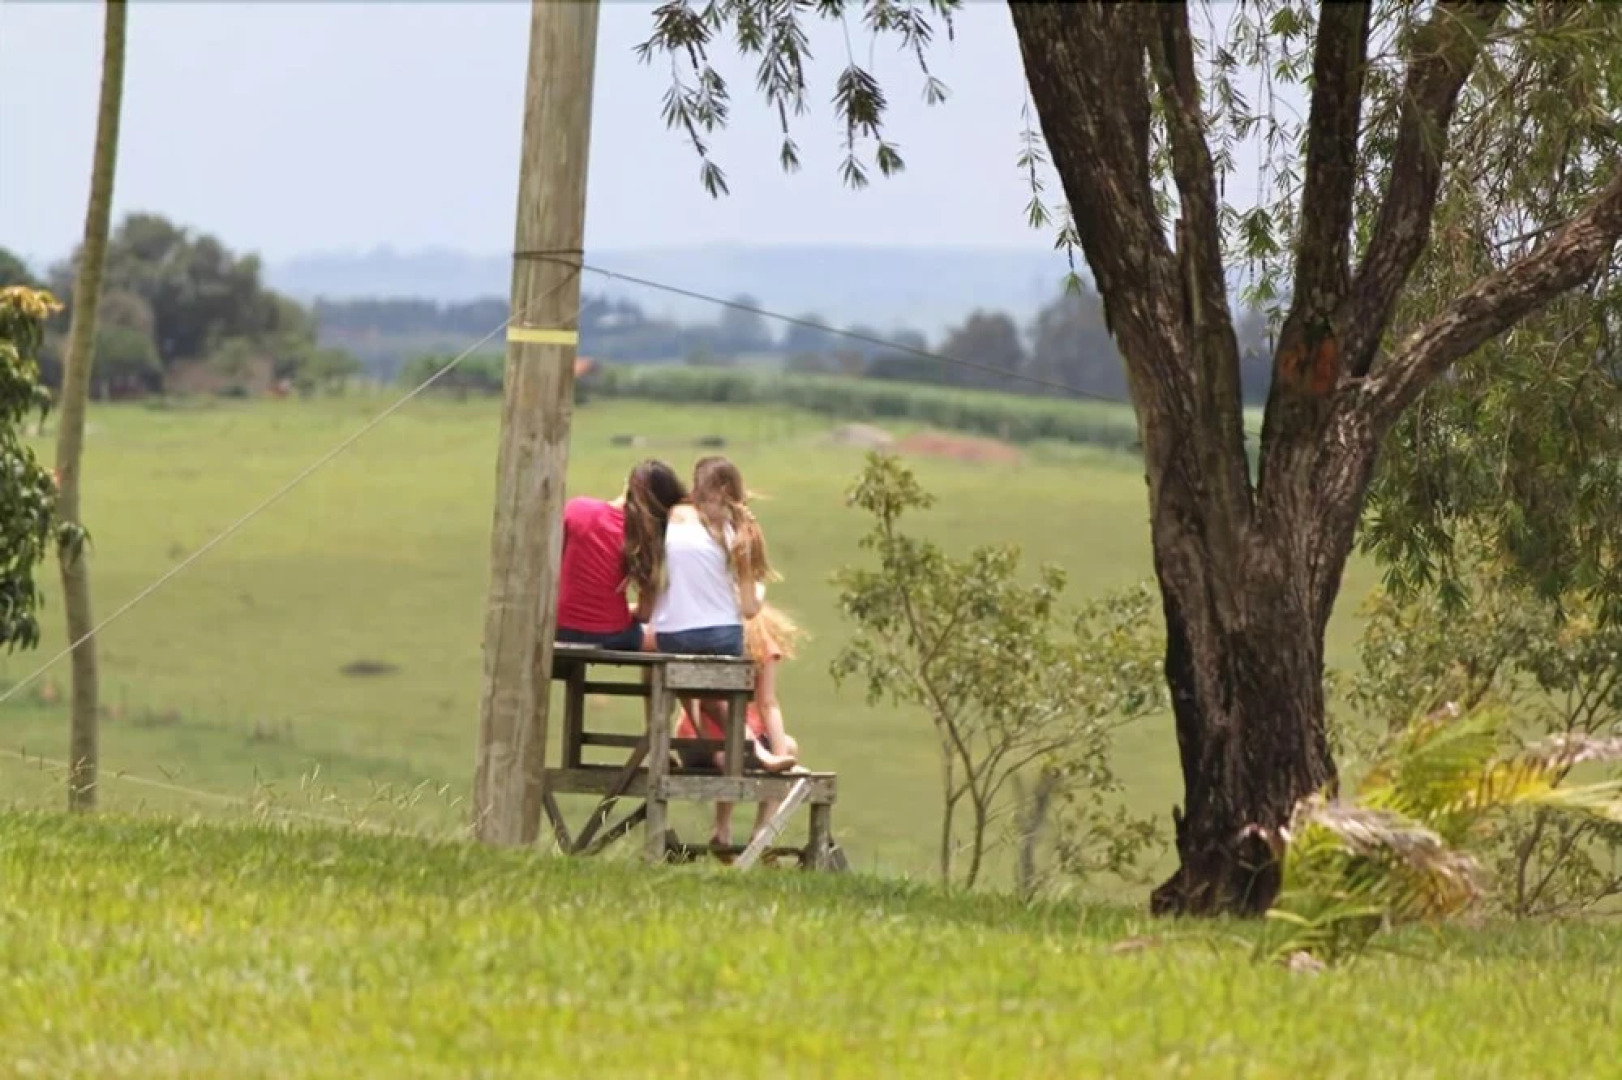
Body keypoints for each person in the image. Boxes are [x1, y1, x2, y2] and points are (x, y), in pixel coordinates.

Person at [674, 594, 807, 848]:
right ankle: (724, 828)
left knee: (788, 746)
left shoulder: (713, 636)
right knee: (730, 755)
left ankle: (762, 831)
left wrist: (780, 756)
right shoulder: (750, 640)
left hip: (715, 742)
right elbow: (768, 704)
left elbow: (768, 704)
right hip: (703, 743)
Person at [555, 459, 686, 651]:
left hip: (559, 627)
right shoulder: (646, 538)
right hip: (613, 634)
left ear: (628, 484)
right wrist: (627, 610)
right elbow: (644, 614)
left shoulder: (576, 509)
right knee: (661, 637)